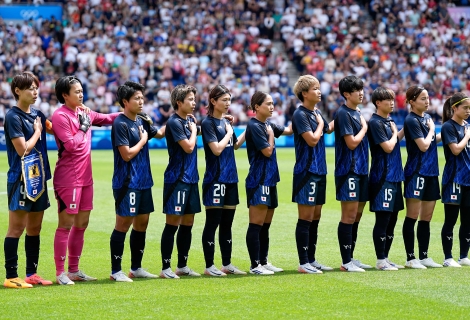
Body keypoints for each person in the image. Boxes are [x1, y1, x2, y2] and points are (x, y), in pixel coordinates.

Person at [52, 75, 120, 285]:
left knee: (82, 224)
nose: (81, 94)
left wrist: (128, 112)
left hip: (86, 178)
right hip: (68, 178)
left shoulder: (84, 112)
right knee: (65, 224)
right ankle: (60, 272)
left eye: (82, 90)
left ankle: (74, 270)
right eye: (77, 91)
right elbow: (72, 145)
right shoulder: (60, 116)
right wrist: (83, 127)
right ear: (65, 95)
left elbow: (107, 118)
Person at [109, 81, 166, 282]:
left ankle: (136, 267)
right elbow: (126, 155)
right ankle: (116, 270)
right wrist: (142, 141)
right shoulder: (120, 123)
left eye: (142, 97)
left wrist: (178, 116)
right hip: (127, 183)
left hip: (144, 182)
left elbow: (159, 134)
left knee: (142, 224)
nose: (141, 101)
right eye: (136, 98)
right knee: (123, 225)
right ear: (125, 101)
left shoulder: (141, 120)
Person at [3, 72, 53, 288]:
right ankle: (11, 276)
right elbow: (23, 150)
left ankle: (31, 274)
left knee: (35, 228)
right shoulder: (13, 117)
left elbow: (55, 127)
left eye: (36, 88)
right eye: (30, 88)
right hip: (21, 179)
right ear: (17, 91)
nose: (35, 92)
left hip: (38, 179)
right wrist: (38, 131)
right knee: (16, 228)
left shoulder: (38, 114)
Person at [245, 91, 293, 275]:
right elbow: (267, 151)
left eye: (273, 103)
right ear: (257, 107)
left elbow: (288, 130)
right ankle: (254, 265)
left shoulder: (267, 124)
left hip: (270, 179)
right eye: (268, 104)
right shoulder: (255, 126)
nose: (272, 107)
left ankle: (263, 261)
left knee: (265, 225)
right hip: (259, 179)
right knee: (256, 224)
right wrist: (271, 135)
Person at [201, 85, 247, 276]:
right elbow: (217, 149)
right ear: (213, 101)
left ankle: (226, 264)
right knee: (213, 222)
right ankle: (209, 265)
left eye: (229, 100)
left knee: (227, 224)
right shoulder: (208, 124)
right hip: (215, 179)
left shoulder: (226, 123)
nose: (228, 104)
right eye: (224, 100)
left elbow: (234, 146)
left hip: (230, 178)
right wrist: (228, 131)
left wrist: (250, 128)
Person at [291, 75, 334, 274]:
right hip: (307, 172)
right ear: (304, 93)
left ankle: (312, 259)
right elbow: (313, 140)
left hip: (319, 171)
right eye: (315, 88)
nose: (319, 91)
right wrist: (319, 124)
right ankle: (303, 262)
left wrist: (346, 113)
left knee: (315, 217)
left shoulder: (316, 112)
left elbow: (328, 128)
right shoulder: (300, 115)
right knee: (306, 218)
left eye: (318, 88)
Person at [160, 84, 201, 279]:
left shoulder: (188, 121)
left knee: (188, 223)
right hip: (177, 179)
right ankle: (166, 267)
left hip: (191, 179)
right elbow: (188, 147)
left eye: (194, 99)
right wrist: (193, 130)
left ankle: (182, 265)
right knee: (172, 223)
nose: (194, 103)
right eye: (190, 100)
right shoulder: (175, 122)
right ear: (179, 102)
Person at [402, 85, 442, 269]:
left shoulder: (426, 118)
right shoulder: (411, 120)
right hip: (417, 172)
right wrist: (433, 129)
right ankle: (411, 257)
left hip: (432, 172)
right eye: (423, 99)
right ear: (412, 102)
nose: (427, 101)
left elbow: (432, 140)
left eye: (427, 98)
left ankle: (424, 256)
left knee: (426, 217)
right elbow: (424, 145)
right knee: (412, 216)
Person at [334, 75, 371, 272]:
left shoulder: (357, 112)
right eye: (357, 90)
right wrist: (365, 127)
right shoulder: (344, 113)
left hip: (362, 170)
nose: (361, 93)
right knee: (348, 216)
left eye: (362, 89)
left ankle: (351, 257)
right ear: (347, 94)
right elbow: (352, 143)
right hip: (348, 170)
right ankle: (346, 261)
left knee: (356, 216)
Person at [367, 87, 406, 271]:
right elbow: (388, 147)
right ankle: (380, 259)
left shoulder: (389, 120)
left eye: (392, 99)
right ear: (377, 103)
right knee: (383, 219)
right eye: (387, 100)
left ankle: (386, 257)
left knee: (392, 219)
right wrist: (393, 132)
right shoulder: (375, 122)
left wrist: (402, 130)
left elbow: (394, 141)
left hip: (395, 176)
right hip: (382, 176)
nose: (392, 102)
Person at [440, 92, 470, 267]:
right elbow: (456, 150)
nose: (468, 111)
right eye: (465, 108)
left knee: (467, 220)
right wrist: (467, 136)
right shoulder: (448, 127)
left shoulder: (467, 126)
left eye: (469, 108)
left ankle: (464, 255)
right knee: (450, 220)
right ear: (454, 108)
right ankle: (448, 257)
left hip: (468, 179)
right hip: (454, 179)